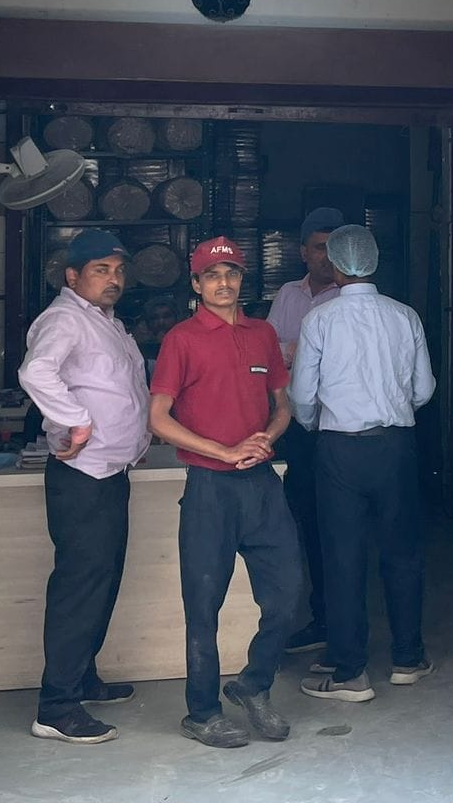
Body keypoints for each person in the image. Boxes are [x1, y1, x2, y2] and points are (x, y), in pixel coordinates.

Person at [149, 236, 303, 749]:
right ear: (196, 284)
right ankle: (202, 712)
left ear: (241, 280)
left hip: (261, 485)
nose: (223, 283)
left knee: (287, 594)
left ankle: (253, 684)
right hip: (209, 488)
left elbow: (284, 405)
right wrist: (222, 450)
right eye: (212, 275)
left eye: (231, 273)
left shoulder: (263, 334)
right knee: (203, 604)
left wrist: (266, 438)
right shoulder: (182, 339)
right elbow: (158, 418)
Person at [289, 224, 437, 703]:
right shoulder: (405, 316)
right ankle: (408, 658)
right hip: (395, 446)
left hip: (340, 450)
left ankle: (350, 670)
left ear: (334, 267)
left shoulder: (319, 320)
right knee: (402, 552)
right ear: (374, 263)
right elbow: (423, 389)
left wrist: (315, 424)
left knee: (342, 556)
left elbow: (301, 395)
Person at [17, 229, 150, 745]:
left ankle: (82, 676)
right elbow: (36, 372)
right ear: (72, 276)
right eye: (101, 270)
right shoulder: (65, 319)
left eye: (118, 270)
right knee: (80, 587)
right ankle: (57, 706)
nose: (113, 279)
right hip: (83, 476)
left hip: (111, 472)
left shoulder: (106, 322)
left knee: (103, 580)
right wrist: (76, 420)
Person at [265, 206, 345, 655]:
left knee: (336, 526)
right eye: (318, 248)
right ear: (302, 252)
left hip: (335, 426)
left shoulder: (348, 298)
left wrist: (295, 351)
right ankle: (319, 618)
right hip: (296, 425)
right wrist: (300, 349)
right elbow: (267, 349)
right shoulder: (288, 295)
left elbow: (339, 359)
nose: (326, 257)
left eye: (333, 248)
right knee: (303, 523)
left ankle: (335, 621)